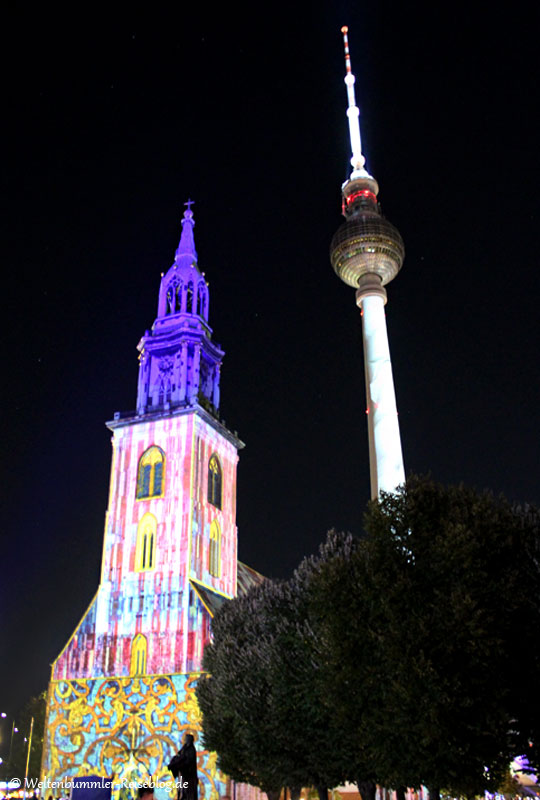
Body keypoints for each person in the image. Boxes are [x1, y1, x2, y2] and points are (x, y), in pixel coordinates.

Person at [168, 733, 198, 800]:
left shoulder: (191, 749)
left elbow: (188, 761)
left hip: (189, 775)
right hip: (183, 773)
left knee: (188, 790)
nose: (187, 741)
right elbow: (180, 755)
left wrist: (180, 763)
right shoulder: (184, 747)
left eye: (188, 739)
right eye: (186, 739)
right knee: (182, 789)